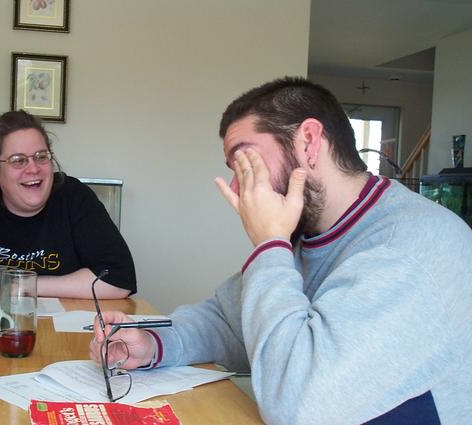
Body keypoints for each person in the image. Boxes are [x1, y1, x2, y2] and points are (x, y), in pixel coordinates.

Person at [89, 77, 472, 424]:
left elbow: (298, 406)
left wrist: (270, 243)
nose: (237, 188)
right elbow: (230, 321)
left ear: (308, 141)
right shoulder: (307, 234)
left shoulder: (410, 246)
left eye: (245, 160)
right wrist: (153, 343)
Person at [0, 110, 136, 299]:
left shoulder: (73, 197)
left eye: (41, 156)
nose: (33, 168)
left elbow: (118, 280)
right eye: (18, 160)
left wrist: (20, 286)